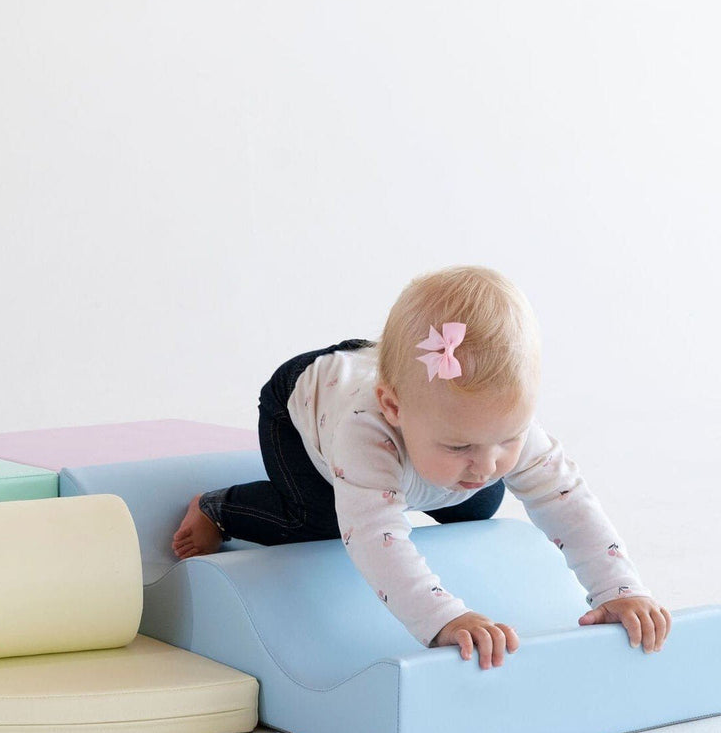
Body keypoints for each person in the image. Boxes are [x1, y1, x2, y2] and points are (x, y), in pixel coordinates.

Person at [171, 265, 672, 669]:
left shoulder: (492, 425)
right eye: (460, 447)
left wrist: (619, 589)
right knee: (319, 520)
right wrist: (443, 618)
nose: (487, 461)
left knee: (482, 499)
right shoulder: (365, 431)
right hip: (302, 407)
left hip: (392, 382)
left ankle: (437, 462)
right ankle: (219, 507)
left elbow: (570, 502)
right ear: (394, 409)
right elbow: (372, 535)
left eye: (508, 439)